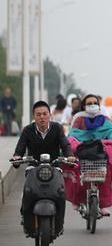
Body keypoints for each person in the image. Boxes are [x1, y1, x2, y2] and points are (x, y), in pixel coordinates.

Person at [13, 100, 76, 233]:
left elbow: (65, 144)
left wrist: (69, 155)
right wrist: (17, 157)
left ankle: (59, 222)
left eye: (44, 114)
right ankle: (25, 215)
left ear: (50, 115)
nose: (42, 117)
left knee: (60, 193)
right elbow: (20, 148)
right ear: (34, 116)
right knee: (27, 191)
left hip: (54, 167)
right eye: (38, 114)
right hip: (33, 167)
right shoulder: (27, 130)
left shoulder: (57, 128)